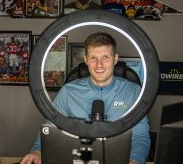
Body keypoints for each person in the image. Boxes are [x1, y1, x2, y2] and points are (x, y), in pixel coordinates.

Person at [20, 32, 151, 164]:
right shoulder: (68, 91)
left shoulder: (133, 92)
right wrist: (37, 151)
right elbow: (49, 129)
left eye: (105, 57)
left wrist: (134, 161)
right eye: (93, 57)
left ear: (115, 59)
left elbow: (140, 136)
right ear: (86, 60)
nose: (99, 64)